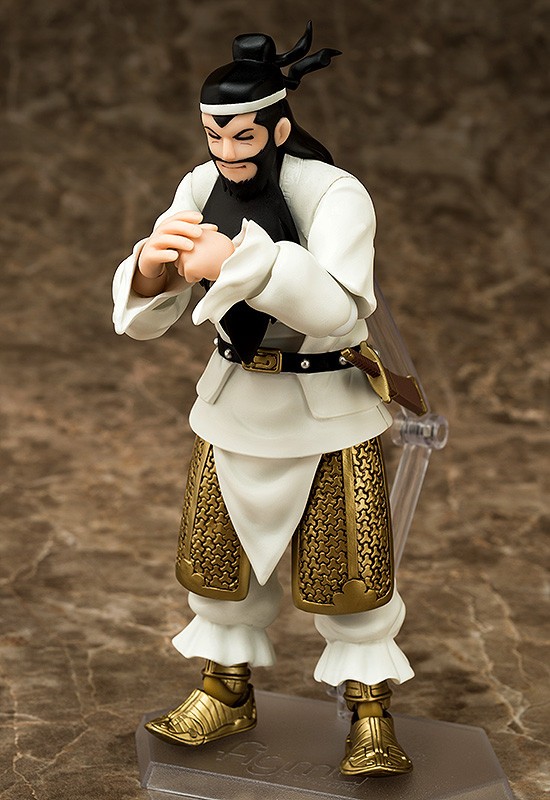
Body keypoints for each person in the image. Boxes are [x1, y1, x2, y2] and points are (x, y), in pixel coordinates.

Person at [113, 22, 414, 776]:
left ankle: (370, 711)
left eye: (241, 137)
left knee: (351, 573)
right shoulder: (199, 186)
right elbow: (153, 315)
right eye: (213, 136)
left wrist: (242, 262)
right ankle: (224, 687)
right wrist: (150, 270)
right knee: (215, 565)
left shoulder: (335, 194)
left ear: (277, 128)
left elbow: (339, 307)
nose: (226, 152)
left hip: (325, 406)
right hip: (236, 400)